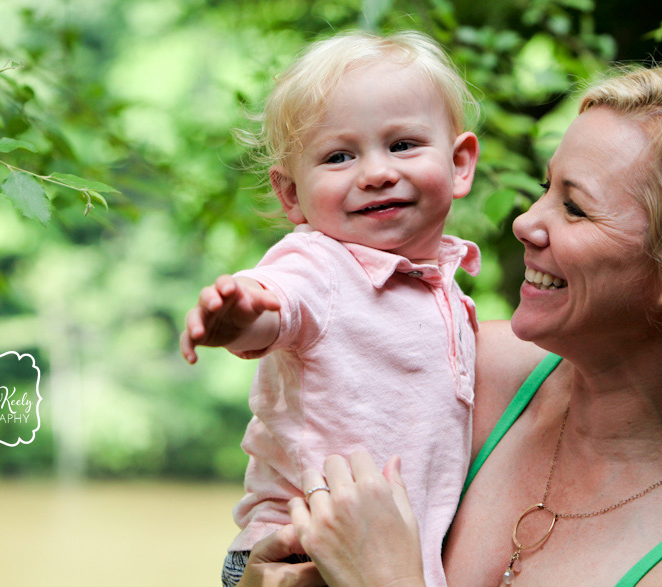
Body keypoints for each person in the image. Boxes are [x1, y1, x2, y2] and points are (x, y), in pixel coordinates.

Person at [240, 65, 662, 587]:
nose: (524, 222)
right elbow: (275, 506)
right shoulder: (465, 369)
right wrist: (251, 571)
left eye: (573, 207)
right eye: (546, 188)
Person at [179, 31, 482, 587]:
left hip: (386, 561)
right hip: (297, 551)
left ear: (460, 163)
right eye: (339, 156)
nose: (376, 172)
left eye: (403, 145)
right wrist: (240, 312)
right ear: (291, 195)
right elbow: (280, 303)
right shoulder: (322, 265)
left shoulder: (447, 291)